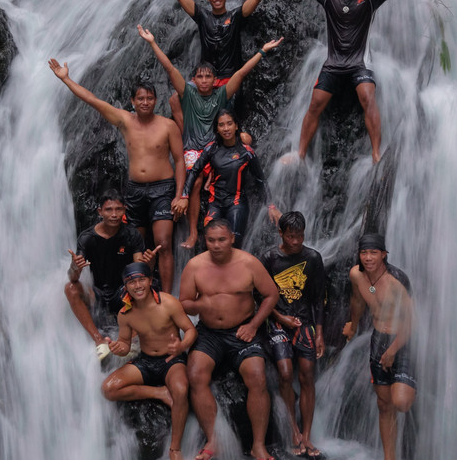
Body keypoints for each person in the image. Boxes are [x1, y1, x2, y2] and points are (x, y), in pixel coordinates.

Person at [248, 0, 457, 162]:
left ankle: (377, 154)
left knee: (368, 97)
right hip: (333, 63)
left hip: (360, 63)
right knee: (315, 103)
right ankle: (301, 153)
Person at [136, 24, 282, 250]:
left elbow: (241, 73)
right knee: (193, 183)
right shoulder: (187, 93)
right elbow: (169, 68)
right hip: (194, 148)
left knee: (246, 139)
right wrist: (152, 42)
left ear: (215, 80)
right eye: (199, 77)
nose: (204, 80)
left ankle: (210, 179)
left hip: (217, 146)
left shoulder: (222, 94)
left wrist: (262, 51)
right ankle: (194, 233)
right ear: (193, 79)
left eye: (208, 77)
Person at [48, 59, 187, 291]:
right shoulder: (124, 120)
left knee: (163, 243)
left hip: (163, 188)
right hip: (134, 190)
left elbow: (181, 161)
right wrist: (66, 79)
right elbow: (93, 100)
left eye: (149, 98)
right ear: (132, 101)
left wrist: (179, 194)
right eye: (140, 98)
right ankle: (139, 294)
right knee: (137, 246)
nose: (145, 102)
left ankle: (166, 298)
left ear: (155, 100)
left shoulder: (167, 126)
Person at [179, 219, 281, 460]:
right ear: (205, 240)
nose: (216, 245)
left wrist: (255, 325)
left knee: (257, 376)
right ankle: (214, 440)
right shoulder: (195, 266)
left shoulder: (248, 263)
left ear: (232, 238)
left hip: (242, 331)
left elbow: (271, 295)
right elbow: (184, 302)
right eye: (211, 240)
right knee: (195, 374)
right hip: (209, 333)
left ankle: (258, 446)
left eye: (221, 240)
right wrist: (201, 306)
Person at [101, 262, 198, 460]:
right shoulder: (125, 313)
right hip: (146, 361)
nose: (137, 285)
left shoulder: (169, 303)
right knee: (108, 389)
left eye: (140, 280)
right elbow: (126, 344)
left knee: (181, 391)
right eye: (131, 282)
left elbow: (190, 329)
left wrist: (182, 347)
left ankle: (175, 449)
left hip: (172, 360)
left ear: (149, 280)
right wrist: (118, 348)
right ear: (126, 286)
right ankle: (160, 393)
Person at [168, 0, 267, 134]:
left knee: (224, 120)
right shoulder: (203, 17)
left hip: (229, 79)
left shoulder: (235, 17)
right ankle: (189, 134)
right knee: (174, 100)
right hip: (206, 79)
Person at [342, 233, 416, 460]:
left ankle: (414, 386)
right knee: (384, 405)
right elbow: (357, 300)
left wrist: (393, 350)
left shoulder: (397, 282)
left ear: (384, 254)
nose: (368, 258)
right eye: (364, 253)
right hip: (378, 340)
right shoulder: (356, 275)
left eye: (374, 253)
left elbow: (411, 322)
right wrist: (352, 325)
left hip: (401, 340)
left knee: (401, 402)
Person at [260, 210, 327, 458]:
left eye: (300, 236)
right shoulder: (268, 259)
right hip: (277, 322)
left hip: (305, 323)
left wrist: (319, 333)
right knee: (286, 373)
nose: (296, 241)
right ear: (281, 234)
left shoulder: (313, 258)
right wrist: (280, 317)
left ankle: (307, 436)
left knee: (307, 375)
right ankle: (292, 429)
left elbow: (319, 299)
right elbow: (262, 298)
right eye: (291, 236)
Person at [65, 190, 159, 359]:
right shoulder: (87, 238)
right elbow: (73, 277)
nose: (114, 215)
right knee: (70, 288)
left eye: (118, 209)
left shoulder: (131, 235)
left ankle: (130, 341)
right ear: (99, 211)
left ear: (125, 210)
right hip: (97, 292)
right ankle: (99, 340)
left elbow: (139, 271)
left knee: (147, 287)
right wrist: (75, 267)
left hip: (122, 292)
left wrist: (149, 263)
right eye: (109, 210)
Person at [181, 108, 280, 248]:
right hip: (215, 202)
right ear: (217, 128)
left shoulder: (247, 152)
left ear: (236, 126)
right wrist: (184, 196)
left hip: (236, 202)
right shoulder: (211, 149)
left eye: (229, 124)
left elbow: (260, 180)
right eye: (221, 125)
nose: (226, 128)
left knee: (233, 243)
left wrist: (271, 206)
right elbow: (194, 171)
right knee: (210, 241)